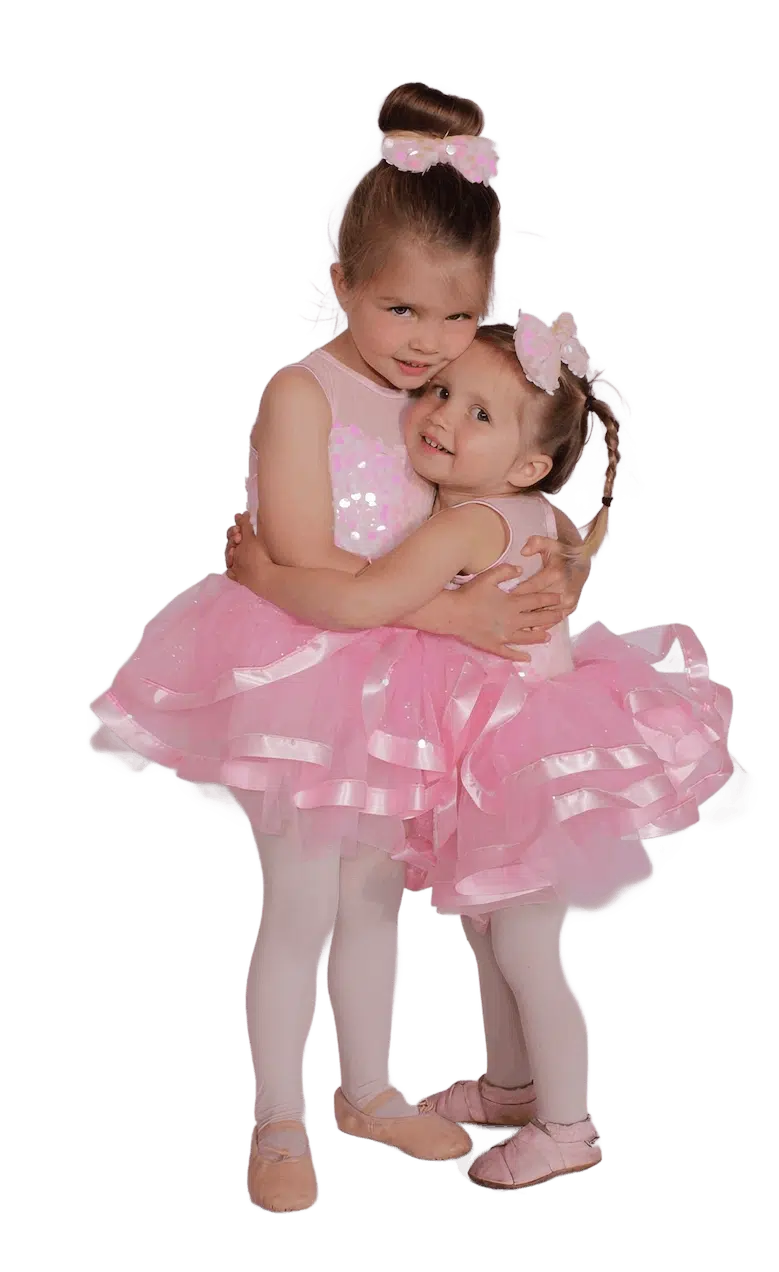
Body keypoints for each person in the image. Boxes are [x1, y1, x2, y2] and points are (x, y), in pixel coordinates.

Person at [81, 80, 575, 1215]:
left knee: (373, 899)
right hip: (304, 678)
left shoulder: (445, 391)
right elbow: (302, 562)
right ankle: (278, 1119)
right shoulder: (301, 394)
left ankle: (369, 1087)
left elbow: (489, 497)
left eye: (457, 318)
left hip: (405, 689)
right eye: (400, 312)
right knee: (299, 900)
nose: (429, 347)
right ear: (342, 283)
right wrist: (455, 614)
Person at [226, 312, 759, 1193]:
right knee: (494, 933)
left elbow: (366, 600)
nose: (440, 415)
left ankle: (568, 1126)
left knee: (524, 944)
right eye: (440, 393)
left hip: (516, 766)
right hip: (505, 759)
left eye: (480, 414)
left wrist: (268, 578)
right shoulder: (528, 511)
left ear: (526, 464)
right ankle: (513, 1089)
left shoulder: (472, 524)